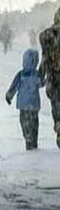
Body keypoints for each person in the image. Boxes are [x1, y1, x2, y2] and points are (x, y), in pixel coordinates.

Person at [5, 48, 45, 150]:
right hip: (34, 105)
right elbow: (42, 84)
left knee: (24, 123)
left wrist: (9, 95)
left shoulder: (21, 74)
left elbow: (14, 86)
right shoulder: (37, 74)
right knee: (34, 124)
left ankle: (28, 139)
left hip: (23, 105)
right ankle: (33, 141)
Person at [39, 9, 60, 148]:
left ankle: (58, 126)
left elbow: (45, 58)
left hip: (54, 78)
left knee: (56, 105)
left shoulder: (46, 35)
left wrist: (40, 75)